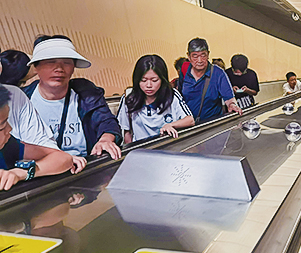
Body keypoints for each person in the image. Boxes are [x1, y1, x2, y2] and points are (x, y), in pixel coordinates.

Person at [23, 35, 122, 166]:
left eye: (66, 62)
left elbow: (106, 120)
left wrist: (106, 139)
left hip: (83, 168)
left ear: (74, 67)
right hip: (39, 172)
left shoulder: (86, 93)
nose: (59, 68)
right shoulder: (22, 99)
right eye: (51, 61)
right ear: (36, 67)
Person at [0, 84, 73, 191]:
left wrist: (21, 172)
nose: (10, 129)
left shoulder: (8, 146)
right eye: (2, 125)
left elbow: (63, 158)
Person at [117, 55, 194, 143]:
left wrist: (171, 125)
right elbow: (126, 131)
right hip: (141, 150)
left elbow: (190, 120)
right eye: (143, 80)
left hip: (166, 147)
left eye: (154, 80)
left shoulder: (172, 95)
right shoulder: (129, 98)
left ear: (162, 79)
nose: (149, 85)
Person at [178, 38, 242, 122]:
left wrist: (232, 105)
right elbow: (179, 96)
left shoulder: (218, 73)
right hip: (189, 126)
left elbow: (229, 99)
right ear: (189, 56)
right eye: (195, 56)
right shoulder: (184, 69)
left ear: (208, 54)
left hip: (211, 125)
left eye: (203, 55)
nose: (200, 60)